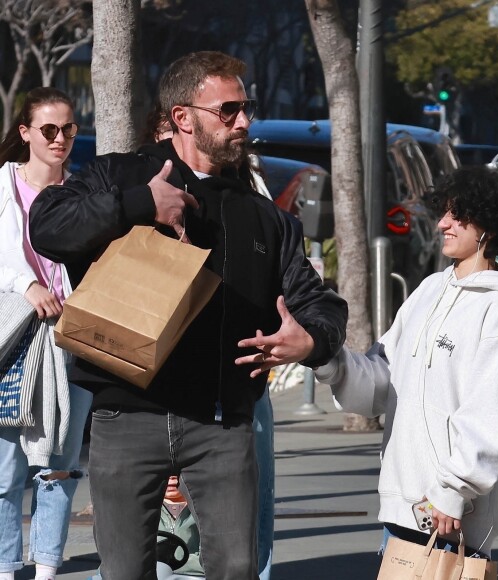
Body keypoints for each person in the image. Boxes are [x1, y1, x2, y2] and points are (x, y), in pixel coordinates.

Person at [29, 51, 347, 580]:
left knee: (237, 568)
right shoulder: (120, 174)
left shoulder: (262, 215)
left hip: (222, 422)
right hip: (125, 414)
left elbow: (318, 303)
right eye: (229, 109)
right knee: (125, 571)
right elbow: (49, 225)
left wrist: (310, 341)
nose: (244, 120)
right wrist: (136, 205)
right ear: (183, 117)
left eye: (247, 108)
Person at [254, 165, 498, 558]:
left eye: (457, 215)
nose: (443, 222)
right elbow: (381, 383)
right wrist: (319, 354)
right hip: (402, 511)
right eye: (444, 211)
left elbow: (491, 416)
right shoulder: (430, 290)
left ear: (489, 226)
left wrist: (452, 493)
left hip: (451, 518)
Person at [140, 103, 275, 580]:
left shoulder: (249, 201)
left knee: (242, 523)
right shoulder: (139, 190)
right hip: (156, 381)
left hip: (235, 384)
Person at [0, 87, 93, 580]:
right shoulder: (2, 188)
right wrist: (26, 283)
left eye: (69, 130)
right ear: (26, 133)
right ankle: (5, 565)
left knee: (61, 460)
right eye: (49, 130)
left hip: (69, 335)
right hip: (14, 338)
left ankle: (47, 567)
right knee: (6, 468)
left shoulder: (79, 193)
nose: (60, 140)